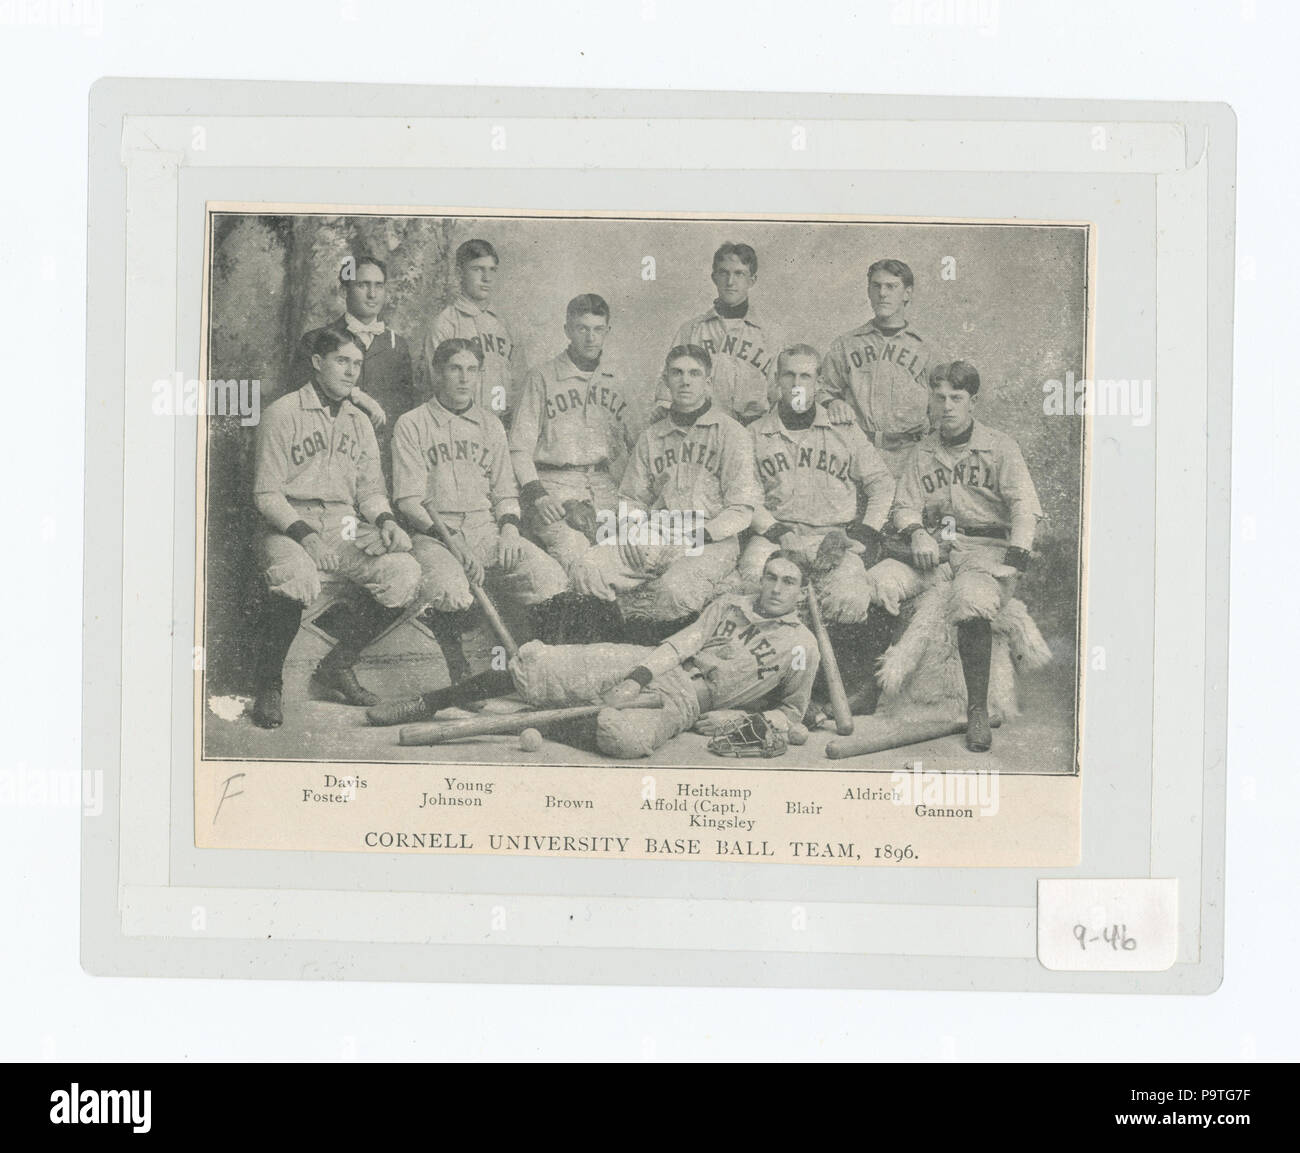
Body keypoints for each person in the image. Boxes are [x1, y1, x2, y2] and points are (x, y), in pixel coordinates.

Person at [368, 552, 820, 762]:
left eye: (789, 582)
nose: (777, 589)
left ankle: (548, 720)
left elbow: (791, 711)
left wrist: (737, 718)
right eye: (772, 577)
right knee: (537, 666)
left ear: (802, 592)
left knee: (622, 738)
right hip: (651, 664)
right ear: (762, 579)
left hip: (687, 703)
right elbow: (679, 644)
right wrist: (636, 678)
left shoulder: (800, 647)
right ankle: (429, 702)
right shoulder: (730, 606)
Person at [249, 328, 420, 729]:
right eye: (342, 361)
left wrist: (387, 521)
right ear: (317, 363)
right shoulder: (282, 413)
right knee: (296, 574)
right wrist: (306, 535)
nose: (351, 372)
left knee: (404, 572)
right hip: (288, 524)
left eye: (357, 364)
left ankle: (337, 666)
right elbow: (266, 494)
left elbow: (372, 491)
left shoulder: (359, 422)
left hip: (344, 524)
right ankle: (269, 685)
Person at [880, 360, 1043, 750]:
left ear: (974, 401)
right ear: (931, 402)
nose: (947, 406)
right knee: (878, 581)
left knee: (970, 600)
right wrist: (916, 532)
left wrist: (1016, 558)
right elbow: (904, 506)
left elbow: (1025, 506)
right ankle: (875, 690)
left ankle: (977, 711)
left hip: (986, 552)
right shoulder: (923, 452)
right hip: (937, 550)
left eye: (957, 397)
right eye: (940, 398)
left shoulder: (1000, 446)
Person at [391, 338, 568, 684]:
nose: (463, 378)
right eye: (455, 368)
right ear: (437, 372)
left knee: (548, 575)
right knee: (453, 591)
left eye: (472, 370)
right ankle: (459, 671)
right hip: (434, 534)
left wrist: (510, 529)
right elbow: (408, 501)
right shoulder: (411, 424)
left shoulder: (491, 426)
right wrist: (452, 541)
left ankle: (543, 667)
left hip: (485, 529)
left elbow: (505, 492)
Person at [570, 344, 762, 642]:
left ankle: (657, 658)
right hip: (658, 532)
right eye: (677, 373)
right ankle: (615, 648)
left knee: (673, 591)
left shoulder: (732, 433)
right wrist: (632, 530)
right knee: (588, 567)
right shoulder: (651, 436)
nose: (685, 381)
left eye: (694, 374)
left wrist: (699, 536)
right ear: (666, 380)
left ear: (707, 383)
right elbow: (633, 497)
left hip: (711, 539)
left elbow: (742, 509)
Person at [742, 344, 896, 714]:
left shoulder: (842, 427)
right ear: (776, 381)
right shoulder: (754, 433)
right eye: (789, 375)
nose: (797, 384)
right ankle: (769, 686)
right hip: (776, 533)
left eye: (806, 376)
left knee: (849, 596)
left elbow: (882, 484)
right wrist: (777, 532)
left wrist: (859, 535)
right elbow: (745, 496)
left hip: (833, 535)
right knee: (750, 583)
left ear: (819, 382)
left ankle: (832, 690)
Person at [508, 294, 634, 574]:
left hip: (604, 486)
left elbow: (637, 445)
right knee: (576, 555)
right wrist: (537, 495)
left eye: (598, 329)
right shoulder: (541, 377)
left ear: (607, 332)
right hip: (554, 489)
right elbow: (518, 449)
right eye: (582, 329)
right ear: (567, 330)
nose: (590, 338)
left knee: (628, 554)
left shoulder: (617, 380)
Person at [288, 254, 416, 480]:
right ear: (344, 291)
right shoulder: (316, 339)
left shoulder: (398, 345)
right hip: (329, 455)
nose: (372, 294)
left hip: (383, 461)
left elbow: (406, 408)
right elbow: (301, 402)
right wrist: (356, 396)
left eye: (378, 286)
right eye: (362, 285)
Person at [816, 258, 947, 476]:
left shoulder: (927, 349)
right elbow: (822, 391)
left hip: (910, 455)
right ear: (868, 291)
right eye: (876, 286)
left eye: (891, 287)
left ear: (907, 293)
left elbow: (943, 404)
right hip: (856, 451)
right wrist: (833, 402)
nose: (882, 293)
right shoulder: (846, 344)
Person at [650, 242, 782, 426]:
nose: (730, 282)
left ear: (752, 280)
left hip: (751, 429)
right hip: (699, 429)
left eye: (739, 274)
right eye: (724, 273)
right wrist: (664, 404)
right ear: (714, 277)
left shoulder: (769, 335)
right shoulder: (692, 330)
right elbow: (667, 382)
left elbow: (780, 393)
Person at [421, 238, 521, 420]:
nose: (487, 278)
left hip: (500, 425)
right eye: (478, 269)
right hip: (459, 423)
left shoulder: (503, 325)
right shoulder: (445, 323)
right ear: (460, 273)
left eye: (492, 270)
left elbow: (515, 382)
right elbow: (436, 383)